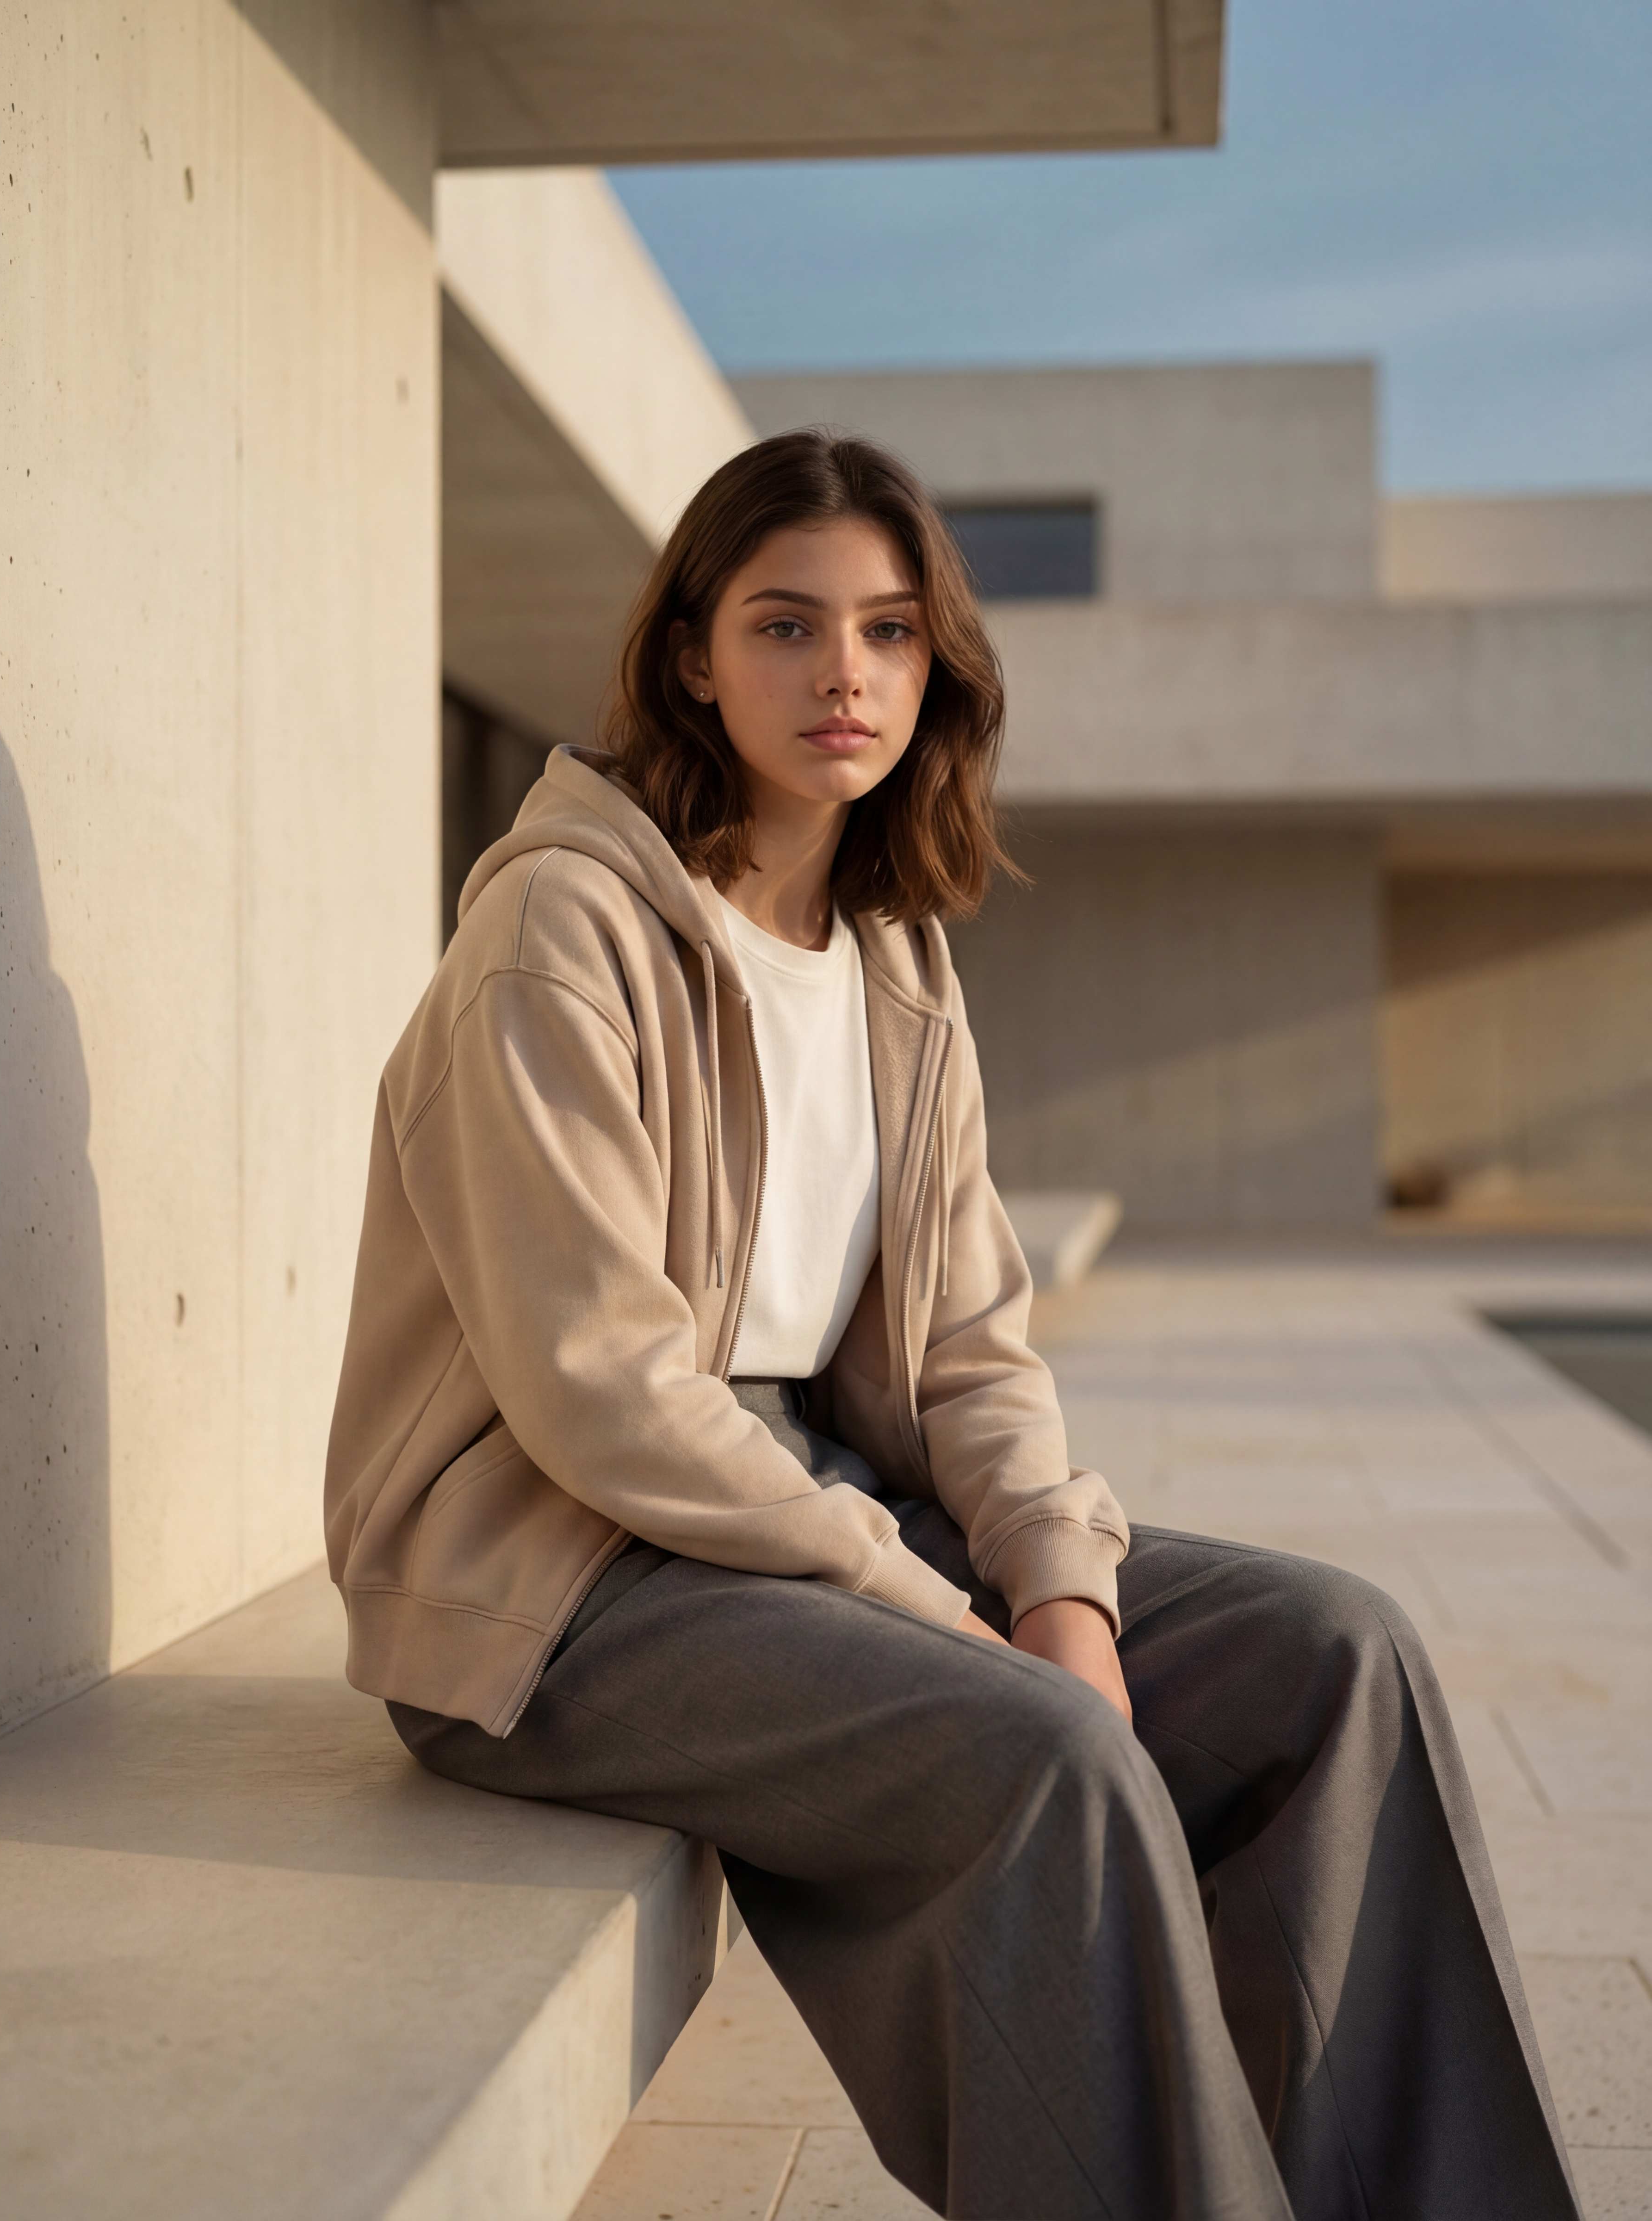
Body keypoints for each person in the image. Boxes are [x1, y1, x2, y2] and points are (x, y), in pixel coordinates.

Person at [324, 429, 1580, 2221]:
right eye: (783, 625)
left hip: (805, 1503)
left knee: (1334, 1656)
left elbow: (971, 1349)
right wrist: (940, 1614)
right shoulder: (557, 935)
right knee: (1048, 1758)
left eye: (889, 630)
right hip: (555, 1580)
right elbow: (601, 1392)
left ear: (935, 668)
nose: (841, 672)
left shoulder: (893, 961)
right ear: (693, 658)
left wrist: (1056, 1591)